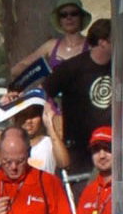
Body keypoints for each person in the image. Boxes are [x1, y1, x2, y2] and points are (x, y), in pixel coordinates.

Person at [42, 18, 112, 193]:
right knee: (83, 198)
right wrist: (49, 113)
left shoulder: (118, 67)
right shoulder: (72, 68)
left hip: (112, 147)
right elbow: (42, 92)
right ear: (103, 42)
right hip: (80, 150)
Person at [10, 0, 92, 79]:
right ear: (59, 21)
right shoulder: (51, 45)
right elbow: (16, 69)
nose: (69, 17)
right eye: (63, 15)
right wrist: (40, 71)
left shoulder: (92, 45)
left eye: (74, 13)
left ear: (81, 18)